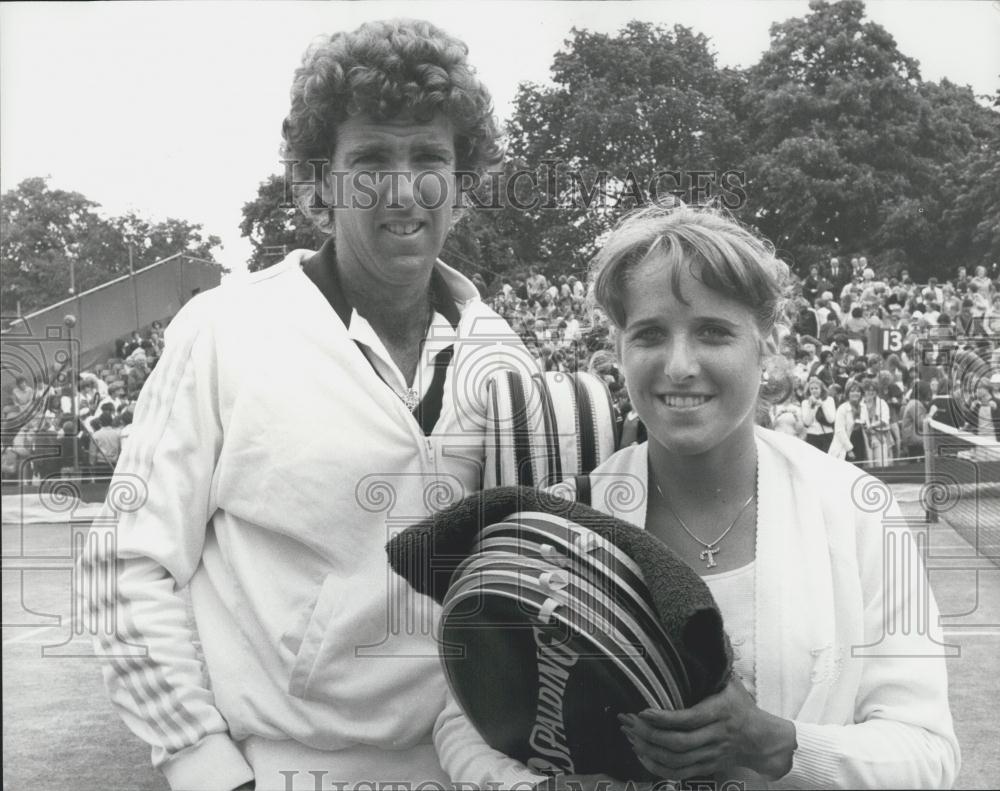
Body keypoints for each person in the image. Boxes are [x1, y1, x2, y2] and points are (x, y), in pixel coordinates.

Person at [81, 19, 542, 791]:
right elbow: (123, 560)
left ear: (463, 181)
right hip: (284, 768)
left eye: (429, 157)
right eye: (369, 160)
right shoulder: (225, 331)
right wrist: (204, 762)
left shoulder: (505, 358)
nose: (402, 190)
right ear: (316, 182)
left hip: (468, 768)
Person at [561, 203, 958, 787]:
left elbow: (928, 756)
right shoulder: (569, 517)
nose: (679, 365)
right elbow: (472, 725)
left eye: (713, 332)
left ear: (766, 344)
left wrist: (776, 745)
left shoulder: (859, 509)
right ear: (618, 349)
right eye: (649, 334)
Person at [831, 381, 867, 463]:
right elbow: (839, 431)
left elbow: (865, 423)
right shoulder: (842, 408)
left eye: (858, 391)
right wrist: (849, 449)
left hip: (860, 442)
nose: (855, 393)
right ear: (847, 393)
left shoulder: (863, 407)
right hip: (845, 445)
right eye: (852, 391)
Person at [800, 377, 836, 453]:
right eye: (811, 389)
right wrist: (812, 407)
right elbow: (807, 423)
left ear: (821, 389)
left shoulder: (829, 400)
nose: (814, 390)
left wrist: (822, 405)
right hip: (812, 435)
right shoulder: (805, 403)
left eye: (816, 388)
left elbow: (831, 419)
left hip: (827, 434)